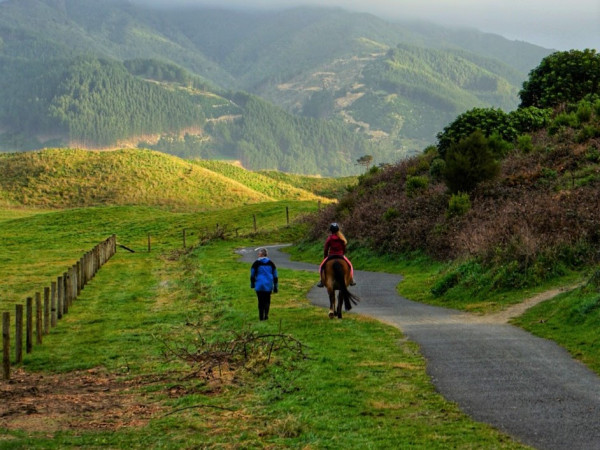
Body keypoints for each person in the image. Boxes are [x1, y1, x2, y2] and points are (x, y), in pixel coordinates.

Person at [317, 223, 356, 287]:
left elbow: (326, 248)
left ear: (331, 230)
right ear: (338, 230)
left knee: (321, 267)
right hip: (340, 255)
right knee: (350, 266)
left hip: (331, 256)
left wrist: (325, 257)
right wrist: (343, 254)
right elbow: (344, 247)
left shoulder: (329, 238)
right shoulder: (342, 238)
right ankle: (351, 280)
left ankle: (321, 281)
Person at [250, 247, 278, 321]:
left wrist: (252, 284)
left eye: (258, 253)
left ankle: (261, 317)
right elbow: (275, 275)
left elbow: (252, 274)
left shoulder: (256, 263)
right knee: (267, 300)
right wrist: (275, 286)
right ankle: (266, 315)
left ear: (261, 254)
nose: (258, 254)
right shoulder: (271, 263)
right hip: (268, 284)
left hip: (259, 284)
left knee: (260, 301)